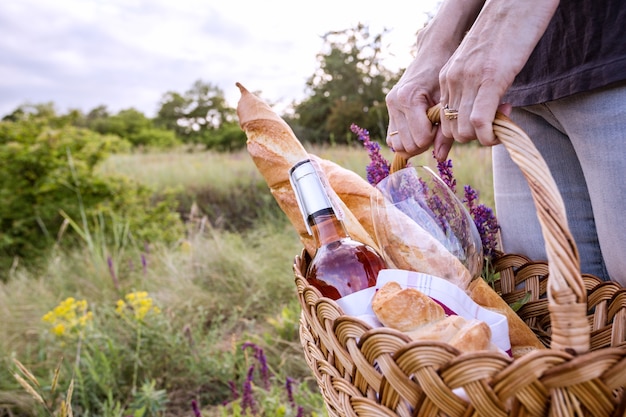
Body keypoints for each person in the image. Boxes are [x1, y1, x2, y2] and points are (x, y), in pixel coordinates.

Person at [385, 0, 626, 286]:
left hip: (612, 51)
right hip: (518, 88)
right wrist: (440, 37)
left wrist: (509, 10)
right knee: (543, 299)